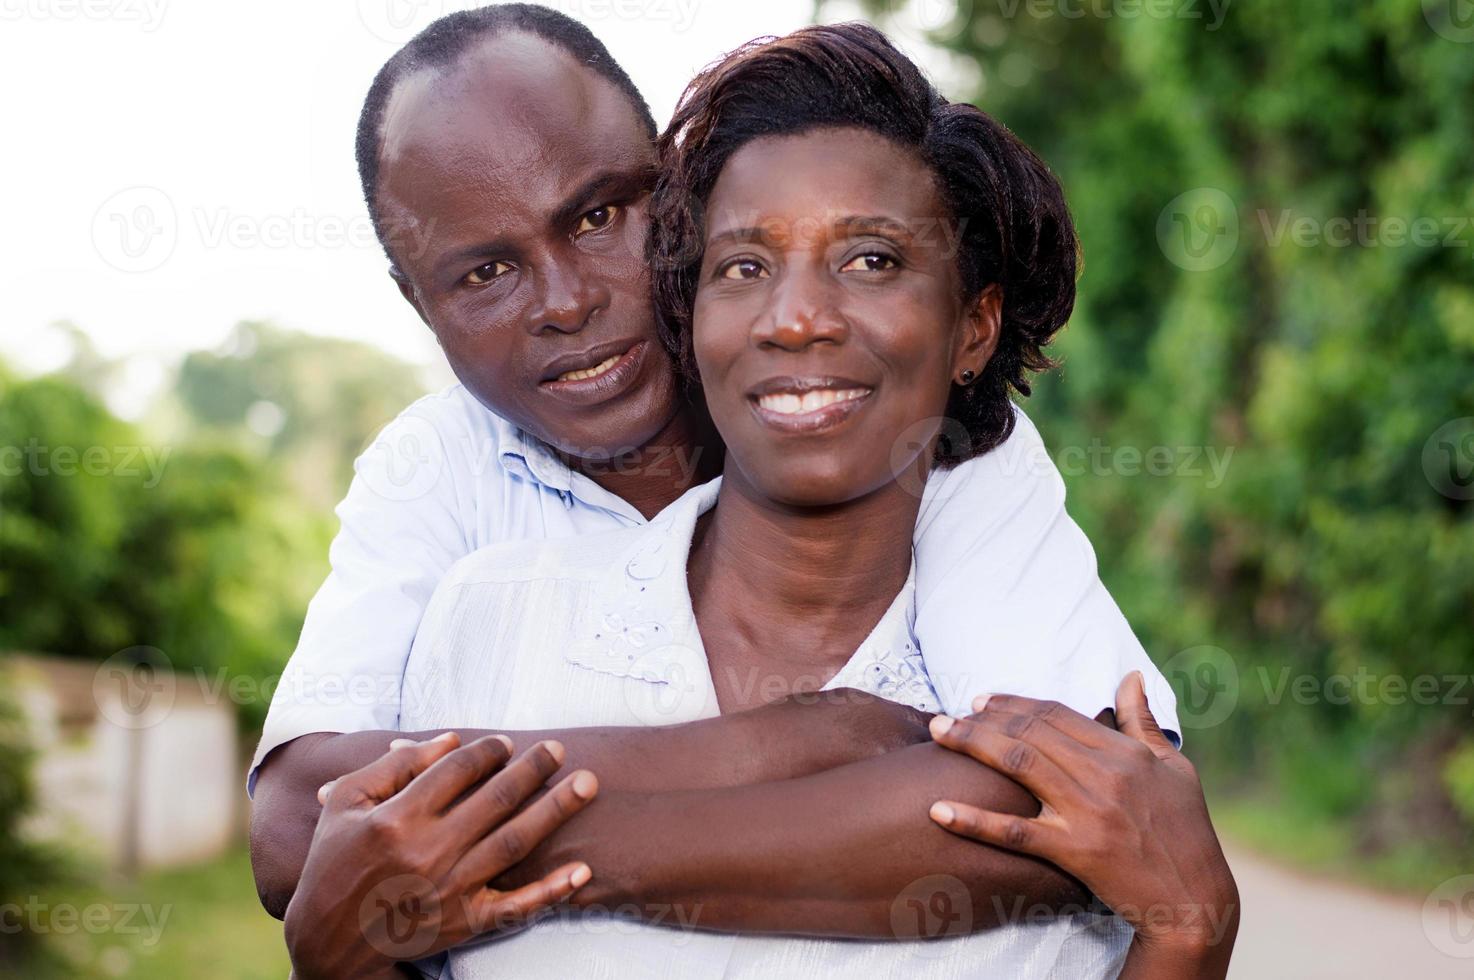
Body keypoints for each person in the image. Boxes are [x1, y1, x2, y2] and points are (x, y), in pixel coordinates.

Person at [286, 19, 1237, 980]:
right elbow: (302, 824)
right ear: (694, 299)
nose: (796, 317)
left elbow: (1093, 814)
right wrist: (786, 744)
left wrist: (513, 848)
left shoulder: (977, 478)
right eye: (745, 267)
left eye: (871, 260)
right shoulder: (479, 593)